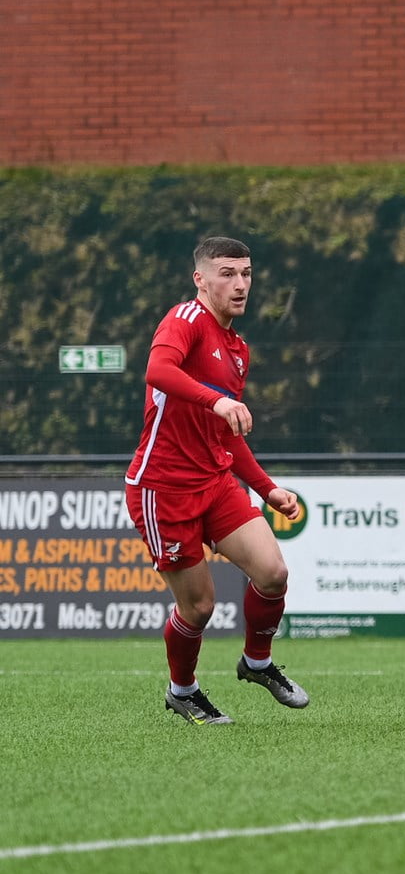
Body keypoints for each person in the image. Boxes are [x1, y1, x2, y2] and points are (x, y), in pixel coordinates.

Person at [125, 236, 309, 725]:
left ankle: (257, 662)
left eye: (246, 273)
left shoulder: (238, 349)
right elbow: (157, 369)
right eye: (227, 273)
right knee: (200, 607)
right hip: (163, 488)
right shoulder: (185, 319)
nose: (240, 284)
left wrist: (267, 488)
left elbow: (227, 434)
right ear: (200, 279)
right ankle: (182, 691)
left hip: (216, 481)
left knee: (273, 573)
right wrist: (217, 399)